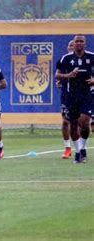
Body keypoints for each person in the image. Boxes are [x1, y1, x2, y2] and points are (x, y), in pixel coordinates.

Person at [56, 35, 93, 163]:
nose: (78, 43)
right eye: (76, 41)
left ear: (85, 44)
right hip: (70, 96)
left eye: (81, 41)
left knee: (85, 122)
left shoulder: (91, 57)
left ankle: (83, 148)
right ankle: (78, 152)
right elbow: (58, 75)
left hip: (87, 95)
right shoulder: (65, 58)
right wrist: (68, 75)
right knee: (73, 124)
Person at [56, 40, 75, 159]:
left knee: (79, 122)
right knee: (65, 121)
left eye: (75, 44)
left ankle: (80, 147)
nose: (72, 47)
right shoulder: (64, 60)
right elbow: (58, 75)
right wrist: (60, 81)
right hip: (66, 95)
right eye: (70, 45)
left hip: (82, 95)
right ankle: (67, 147)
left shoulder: (86, 60)